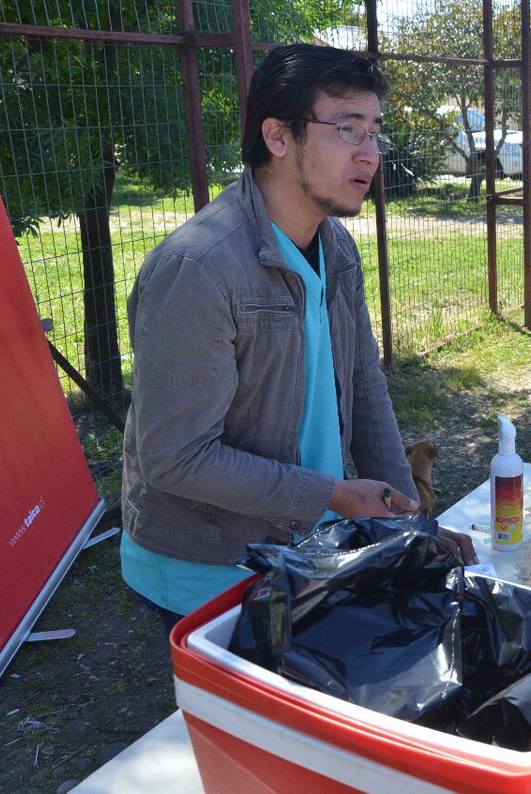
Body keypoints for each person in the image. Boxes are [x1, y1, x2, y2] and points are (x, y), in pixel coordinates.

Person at [120, 44, 475, 631]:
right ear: (279, 137)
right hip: (207, 567)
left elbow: (364, 389)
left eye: (374, 131)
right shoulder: (198, 269)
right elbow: (175, 458)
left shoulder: (336, 246)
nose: (370, 153)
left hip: (307, 541)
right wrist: (330, 495)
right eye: (346, 128)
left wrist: (412, 525)